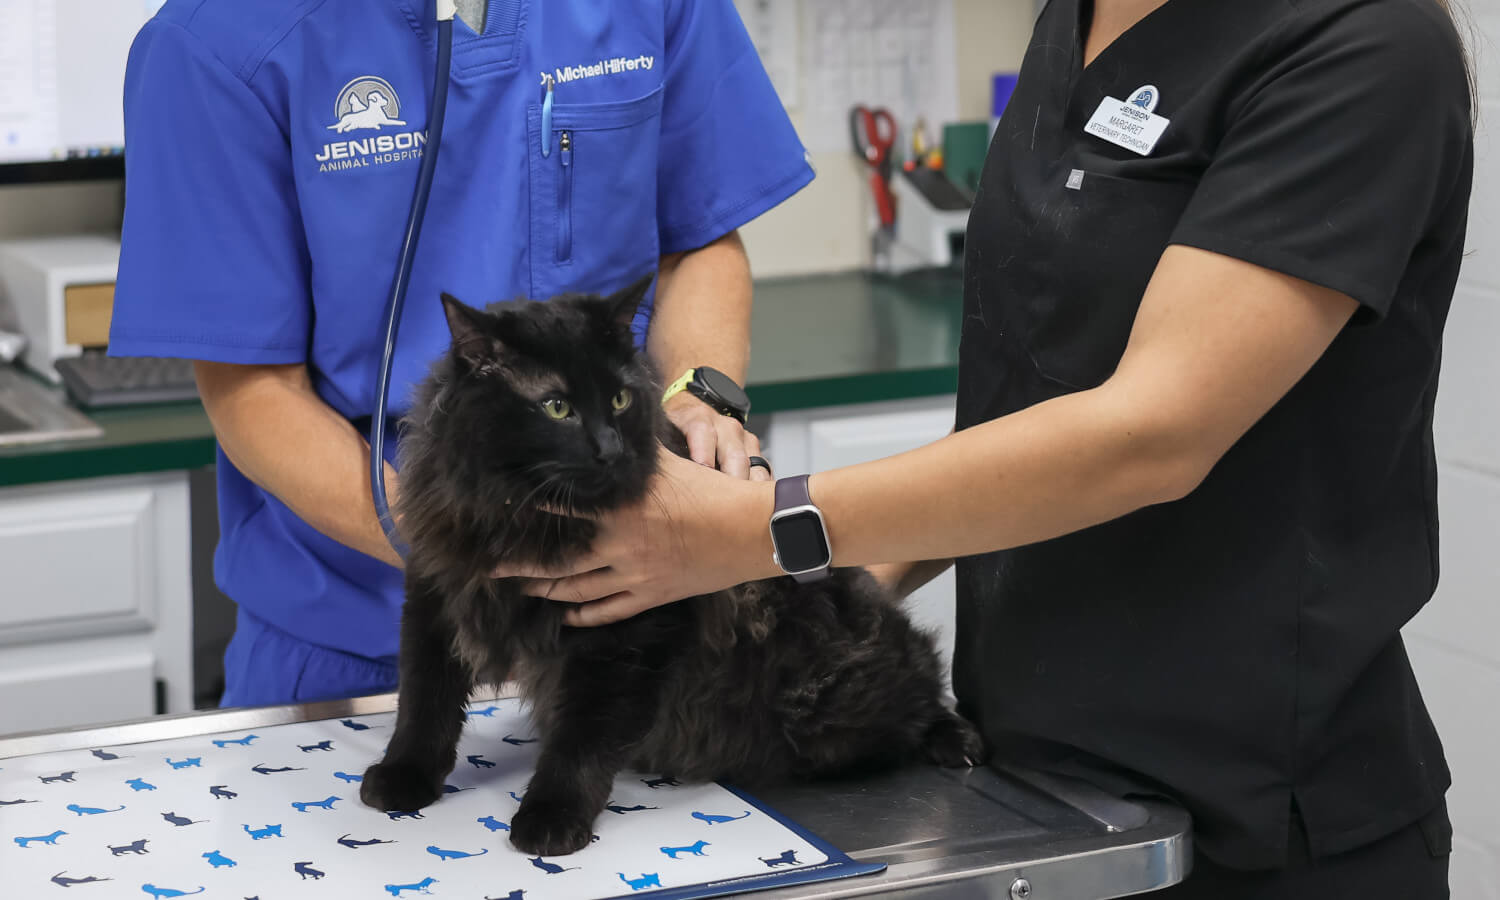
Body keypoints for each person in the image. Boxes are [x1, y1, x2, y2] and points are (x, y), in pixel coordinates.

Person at [507, 0, 1473, 895]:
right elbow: (1023, 420)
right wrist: (795, 624)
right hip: (1039, 783)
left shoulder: (1366, 47)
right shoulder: (1080, 19)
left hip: (1260, 813)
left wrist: (758, 533)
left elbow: (1151, 436)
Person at [107, 0, 806, 707]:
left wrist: (697, 395)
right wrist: (484, 550)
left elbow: (699, 236)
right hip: (366, 653)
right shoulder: (216, 42)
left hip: (634, 638)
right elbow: (253, 389)